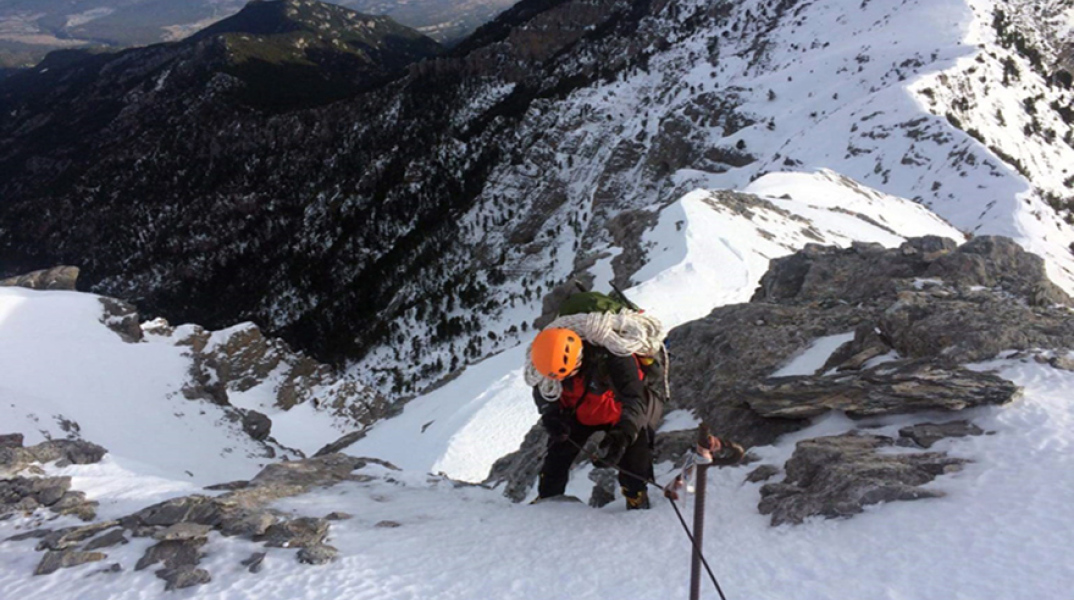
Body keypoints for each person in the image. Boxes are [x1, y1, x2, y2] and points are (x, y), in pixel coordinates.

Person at [529, 327, 663, 509]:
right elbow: (543, 390)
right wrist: (550, 414)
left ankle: (636, 496)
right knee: (557, 457)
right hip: (579, 412)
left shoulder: (616, 357)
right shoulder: (547, 362)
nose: (564, 379)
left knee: (635, 461)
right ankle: (548, 498)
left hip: (618, 414)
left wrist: (623, 435)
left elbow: (635, 399)